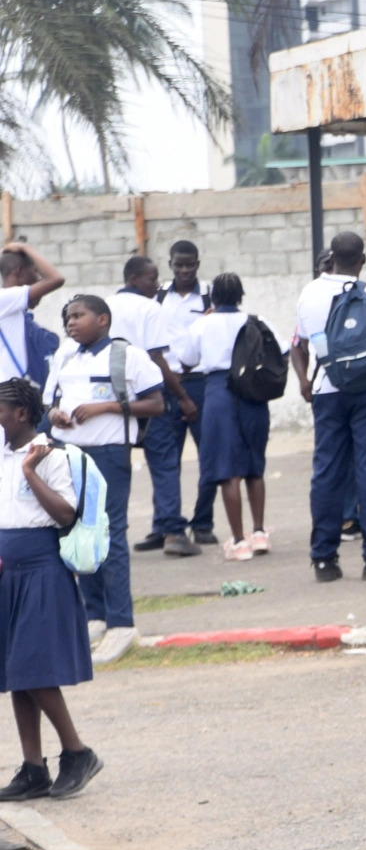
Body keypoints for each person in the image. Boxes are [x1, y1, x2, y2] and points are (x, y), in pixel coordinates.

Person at [43, 295, 162, 664]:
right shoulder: (64, 355)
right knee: (76, 533)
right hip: (68, 454)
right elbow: (49, 404)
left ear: (104, 320)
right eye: (68, 317)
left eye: (79, 316)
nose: (71, 322)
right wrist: (56, 416)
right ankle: (94, 614)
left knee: (108, 533)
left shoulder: (127, 355)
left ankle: (121, 623)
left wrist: (108, 407)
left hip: (108, 454)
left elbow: (156, 404)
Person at [292, 233, 366, 584]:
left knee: (327, 472)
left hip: (327, 392)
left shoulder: (309, 293)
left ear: (330, 258)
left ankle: (324, 559)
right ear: (361, 260)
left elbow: (300, 342)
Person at [0, 378, 100, 802]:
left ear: (21, 413)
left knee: (34, 668)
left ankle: (77, 752)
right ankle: (33, 767)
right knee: (17, 676)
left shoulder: (51, 456)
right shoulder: (2, 455)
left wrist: (29, 471)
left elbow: (64, 514)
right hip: (9, 573)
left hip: (42, 569)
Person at [179, 274, 272, 560]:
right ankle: (258, 534)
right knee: (254, 466)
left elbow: (186, 359)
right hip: (254, 394)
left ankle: (238, 541)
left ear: (214, 298)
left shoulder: (203, 324)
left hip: (219, 392)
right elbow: (279, 350)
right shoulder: (255, 321)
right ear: (240, 295)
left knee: (226, 469)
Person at [118, 257, 202, 558]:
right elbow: (156, 357)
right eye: (151, 279)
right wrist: (182, 395)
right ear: (133, 279)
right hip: (147, 396)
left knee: (116, 466)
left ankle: (122, 532)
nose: (157, 284)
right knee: (164, 463)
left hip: (112, 399)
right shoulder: (149, 308)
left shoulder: (103, 306)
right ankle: (173, 532)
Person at [152, 241, 219, 543]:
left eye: (190, 264)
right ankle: (165, 525)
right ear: (170, 264)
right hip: (167, 385)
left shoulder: (209, 294)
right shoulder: (158, 296)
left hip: (201, 384)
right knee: (166, 459)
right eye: (179, 264)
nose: (185, 270)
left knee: (210, 457)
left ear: (198, 263)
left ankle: (203, 523)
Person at [0, 242, 65, 389]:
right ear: (19, 272)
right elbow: (56, 279)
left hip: (15, 392)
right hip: (7, 394)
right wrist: (25, 247)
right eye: (36, 273)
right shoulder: (4, 299)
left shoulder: (13, 309)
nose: (39, 281)